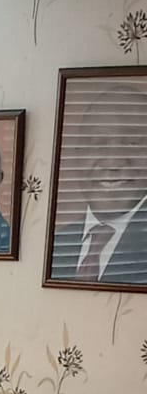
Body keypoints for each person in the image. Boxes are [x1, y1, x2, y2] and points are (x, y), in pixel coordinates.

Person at [50, 82, 147, 284]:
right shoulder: (55, 245)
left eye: (132, 143)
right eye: (98, 143)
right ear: (77, 155)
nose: (113, 162)